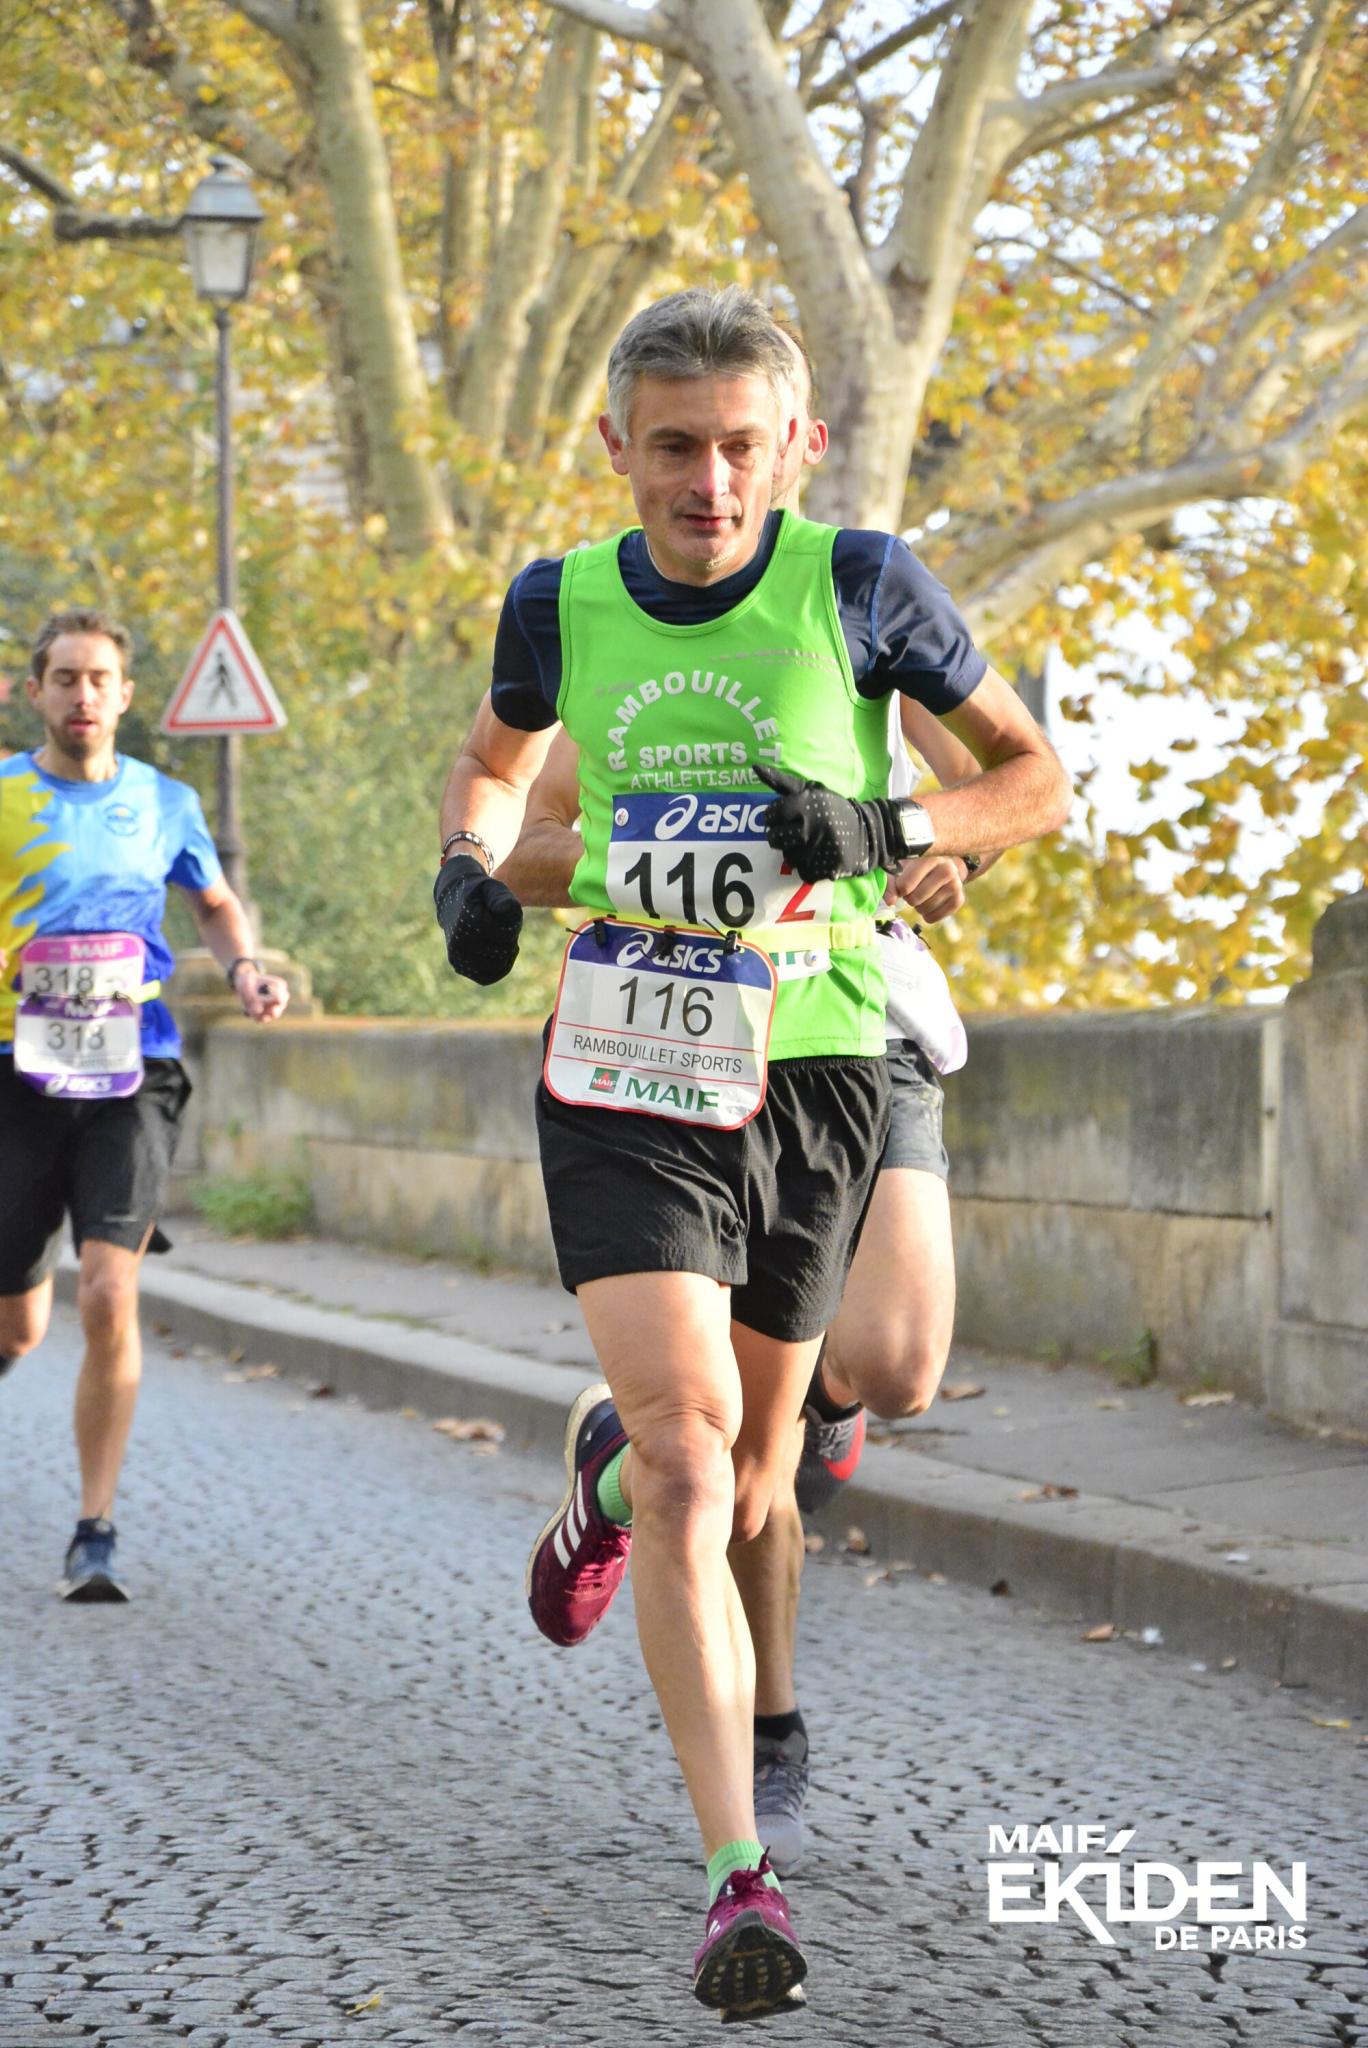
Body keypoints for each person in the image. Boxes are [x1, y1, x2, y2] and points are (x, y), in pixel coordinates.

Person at [433, 286, 1069, 2016]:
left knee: (761, 1462)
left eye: (736, 446)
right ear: (615, 448)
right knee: (694, 1455)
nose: (705, 481)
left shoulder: (860, 580)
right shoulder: (557, 599)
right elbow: (497, 771)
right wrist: (472, 868)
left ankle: (608, 1488)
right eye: (671, 448)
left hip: (820, 1061)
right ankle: (737, 1875)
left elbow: (1031, 779)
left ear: (792, 446)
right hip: (631, 1054)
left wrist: (890, 826)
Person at [0, 608, 289, 1602]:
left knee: (110, 1291)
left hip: (135, 1065)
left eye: (100, 679)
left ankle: (95, 1526)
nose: (82, 695)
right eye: (65, 677)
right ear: (35, 691)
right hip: (18, 1071)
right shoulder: (2, 793)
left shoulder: (165, 800)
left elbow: (209, 899)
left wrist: (244, 966)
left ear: (126, 696)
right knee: (19, 1328)